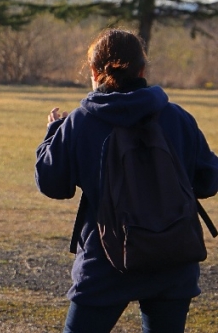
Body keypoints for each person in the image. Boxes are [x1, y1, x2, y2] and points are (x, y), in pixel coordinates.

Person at [35, 28, 218, 333]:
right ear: (143, 70)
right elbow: (208, 181)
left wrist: (54, 132)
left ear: (94, 72)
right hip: (173, 259)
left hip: (106, 260)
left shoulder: (81, 121)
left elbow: (53, 184)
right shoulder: (177, 117)